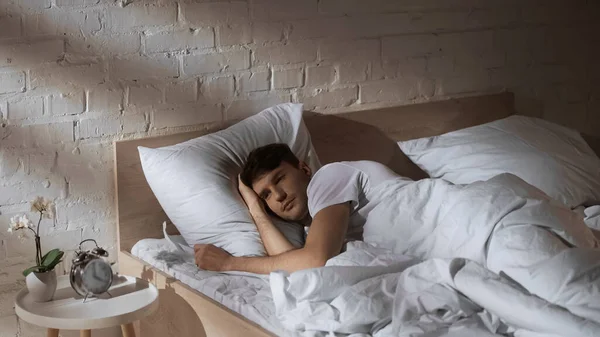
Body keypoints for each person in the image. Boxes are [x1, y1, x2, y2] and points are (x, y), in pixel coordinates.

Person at [194, 143, 408, 274]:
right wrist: (256, 209)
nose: (278, 196)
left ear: (304, 169)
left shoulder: (330, 176)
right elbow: (291, 263)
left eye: (280, 179)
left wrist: (229, 263)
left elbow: (314, 260)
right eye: (266, 195)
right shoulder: (311, 230)